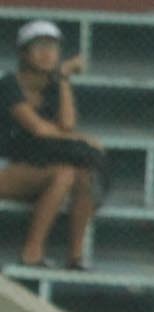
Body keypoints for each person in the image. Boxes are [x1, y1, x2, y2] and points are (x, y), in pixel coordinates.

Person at [2, 20, 100, 268]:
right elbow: (37, 127)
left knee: (83, 174)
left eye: (53, 47)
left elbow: (67, 125)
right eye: (39, 46)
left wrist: (64, 78)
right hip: (4, 166)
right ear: (24, 53)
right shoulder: (8, 84)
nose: (48, 53)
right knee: (64, 173)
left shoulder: (54, 86)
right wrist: (80, 140)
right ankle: (32, 253)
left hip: (30, 167)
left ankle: (75, 256)